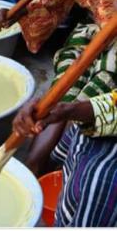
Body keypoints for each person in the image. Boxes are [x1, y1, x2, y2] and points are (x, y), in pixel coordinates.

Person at [0, 0, 117, 176]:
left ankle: (60, 161)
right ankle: (34, 164)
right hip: (96, 26)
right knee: (64, 81)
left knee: (96, 86)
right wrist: (20, 11)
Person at [12, 89, 117, 226]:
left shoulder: (100, 181)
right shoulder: (83, 131)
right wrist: (65, 109)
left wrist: (70, 110)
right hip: (100, 118)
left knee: (98, 182)